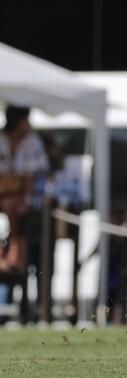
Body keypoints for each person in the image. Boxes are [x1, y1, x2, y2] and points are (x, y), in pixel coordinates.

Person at [0, 105, 49, 273]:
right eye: (25, 120)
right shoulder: (2, 138)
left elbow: (32, 175)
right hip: (6, 192)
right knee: (10, 204)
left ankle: (15, 252)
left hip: (25, 196)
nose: (28, 123)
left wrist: (26, 199)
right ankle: (9, 252)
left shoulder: (32, 141)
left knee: (14, 207)